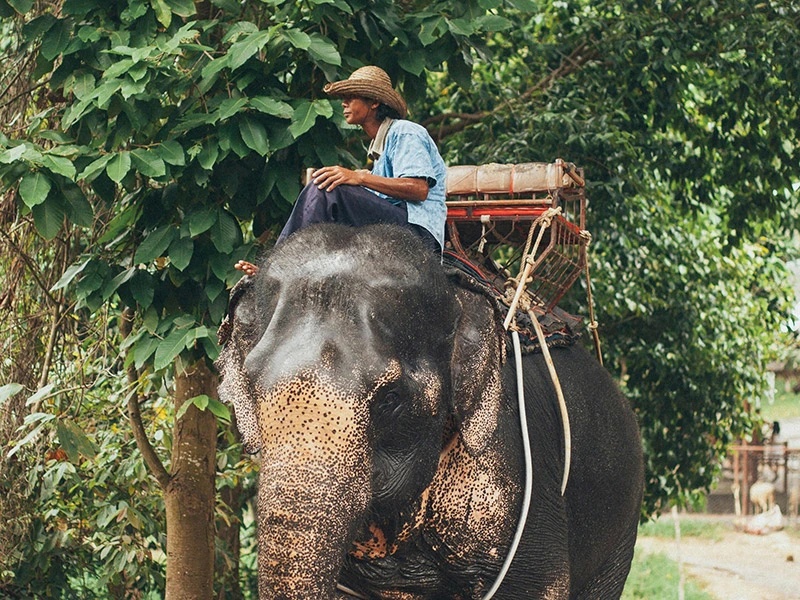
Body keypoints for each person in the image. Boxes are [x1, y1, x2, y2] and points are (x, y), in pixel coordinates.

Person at [235, 66, 448, 277]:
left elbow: (419, 189)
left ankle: (279, 268)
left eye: (351, 97)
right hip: (393, 225)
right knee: (326, 183)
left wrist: (359, 177)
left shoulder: (405, 131)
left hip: (418, 233)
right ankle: (286, 267)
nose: (343, 104)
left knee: (327, 189)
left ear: (374, 102)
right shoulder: (378, 147)